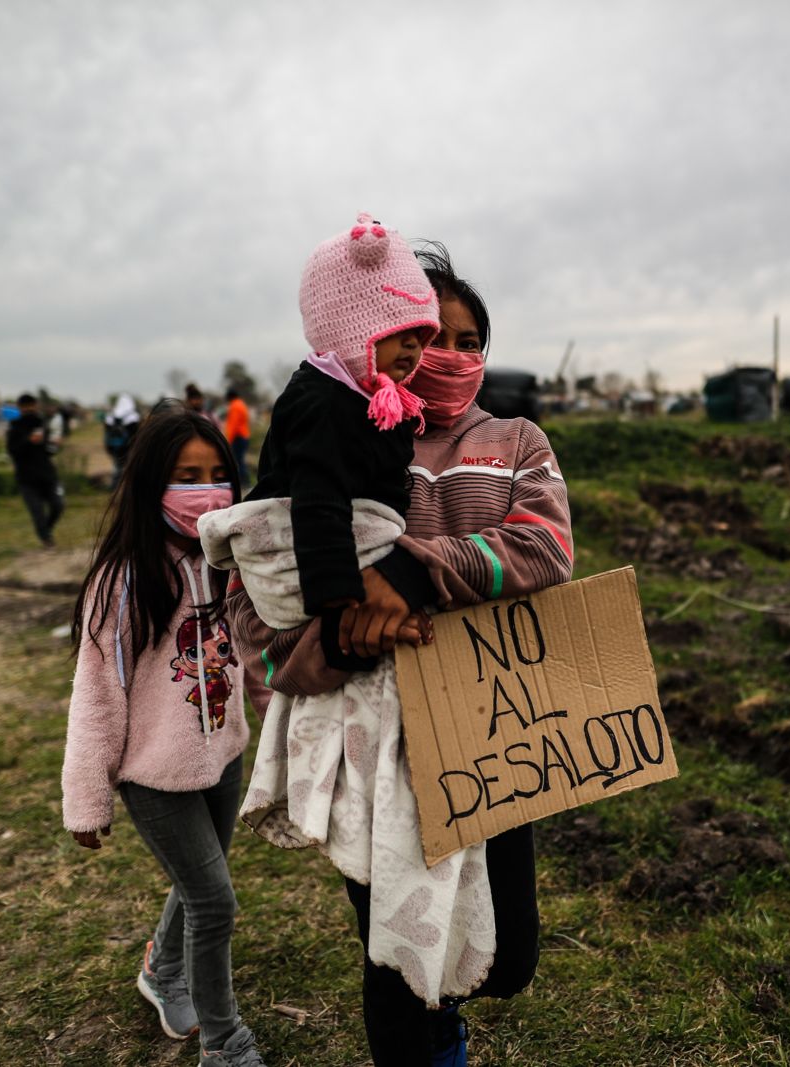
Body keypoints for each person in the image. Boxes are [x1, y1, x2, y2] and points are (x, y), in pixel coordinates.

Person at [222, 241, 573, 1066]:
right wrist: (337, 635)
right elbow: (256, 592)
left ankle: (446, 1004)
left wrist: (408, 575)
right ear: (385, 334)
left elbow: (545, 551)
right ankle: (423, 1035)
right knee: (392, 956)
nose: (445, 355)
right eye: (429, 333)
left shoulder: (516, 441)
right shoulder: (348, 437)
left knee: (512, 956)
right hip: (372, 751)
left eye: (467, 339)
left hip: (489, 733)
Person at [60, 408, 268, 1067]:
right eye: (186, 477)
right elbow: (97, 696)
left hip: (224, 753)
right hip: (156, 775)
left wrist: (280, 711)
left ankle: (162, 969)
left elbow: (252, 650)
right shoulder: (123, 580)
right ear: (152, 483)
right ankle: (225, 1042)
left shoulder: (230, 562)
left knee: (200, 879)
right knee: (214, 900)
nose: (207, 491)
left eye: (217, 475)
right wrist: (87, 799)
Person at [5, 393, 64, 548]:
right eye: (27, 406)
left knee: (58, 505)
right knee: (37, 511)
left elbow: (48, 451)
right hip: (26, 478)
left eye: (32, 405)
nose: (31, 409)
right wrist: (28, 441)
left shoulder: (42, 424)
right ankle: (46, 539)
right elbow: (12, 451)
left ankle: (46, 531)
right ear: (20, 408)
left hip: (47, 474)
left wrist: (55, 445)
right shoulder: (14, 427)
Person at [104, 393, 140, 488]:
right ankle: (130, 487)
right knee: (131, 467)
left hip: (114, 446)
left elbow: (107, 433)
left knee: (117, 466)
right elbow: (135, 434)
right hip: (128, 446)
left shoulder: (111, 416)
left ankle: (115, 486)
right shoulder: (133, 417)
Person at [221, 386, 251, 489]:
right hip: (244, 435)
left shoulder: (234, 406)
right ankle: (245, 482)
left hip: (238, 437)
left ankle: (243, 482)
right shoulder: (241, 404)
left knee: (238, 460)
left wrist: (228, 440)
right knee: (241, 460)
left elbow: (233, 425)